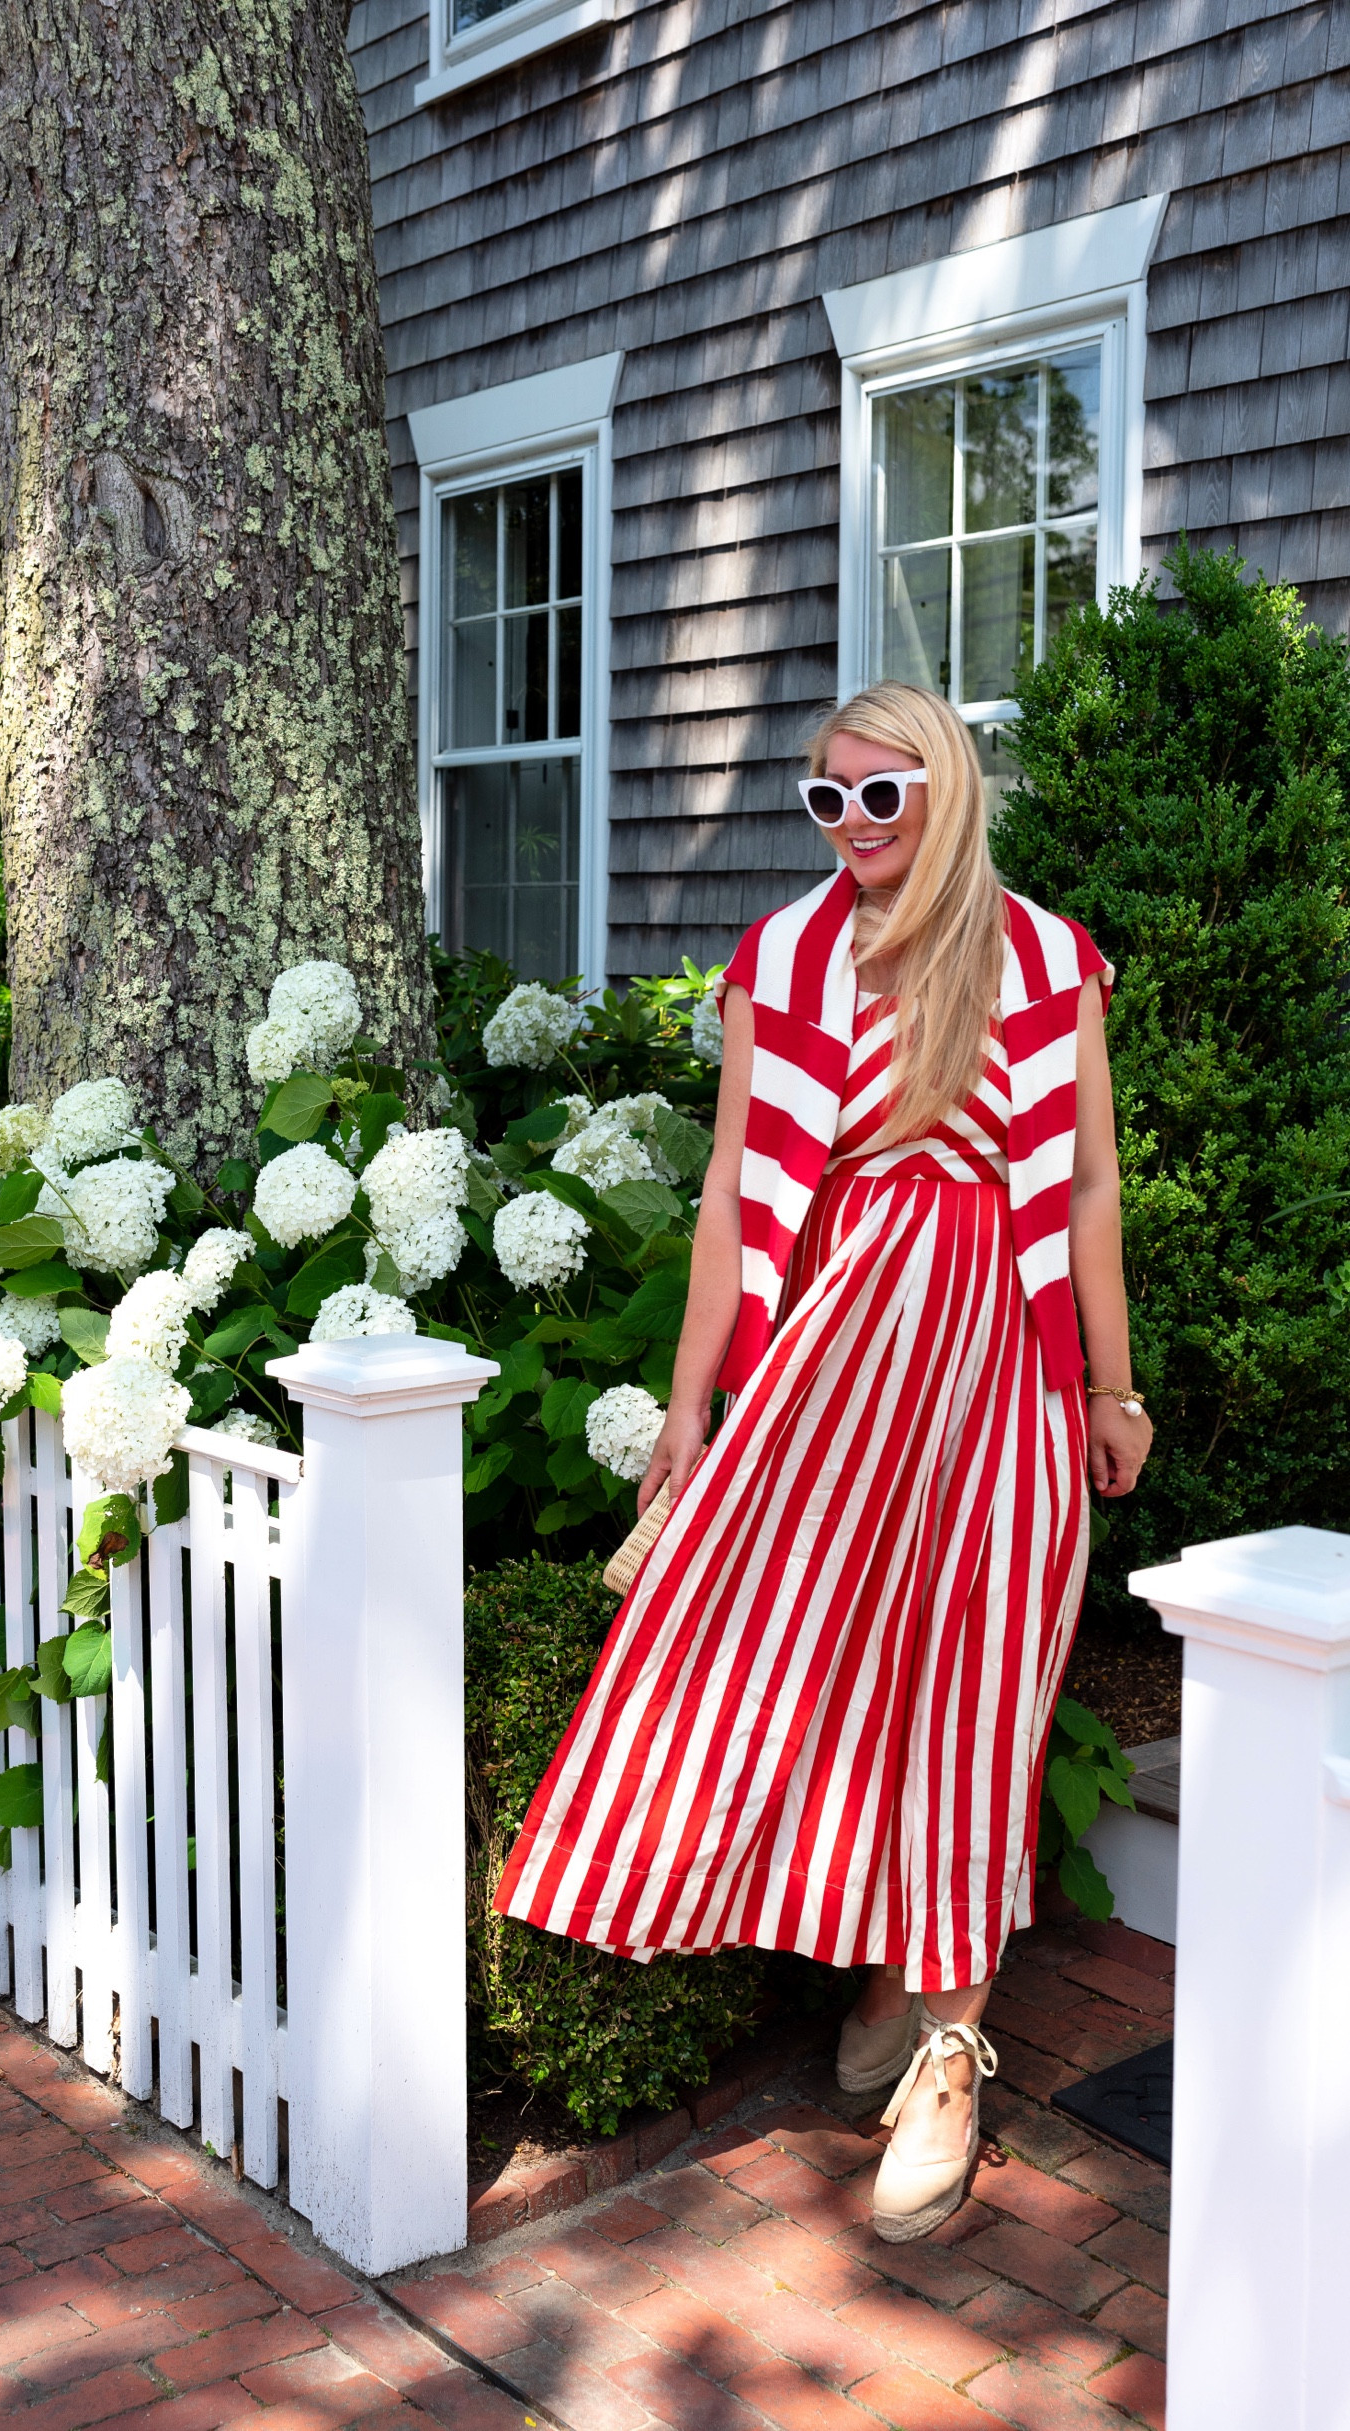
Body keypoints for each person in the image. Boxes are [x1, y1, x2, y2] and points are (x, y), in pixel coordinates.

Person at [496, 681, 1153, 2241]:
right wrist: (690, 1400)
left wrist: (1114, 1388)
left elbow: (1089, 1194)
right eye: (828, 801)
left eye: (885, 796)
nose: (855, 826)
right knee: (791, 1649)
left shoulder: (1051, 963)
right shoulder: (784, 964)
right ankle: (877, 1954)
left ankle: (944, 2039)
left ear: (949, 795)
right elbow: (729, 1193)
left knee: (980, 1672)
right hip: (833, 1350)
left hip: (1001, 1356)